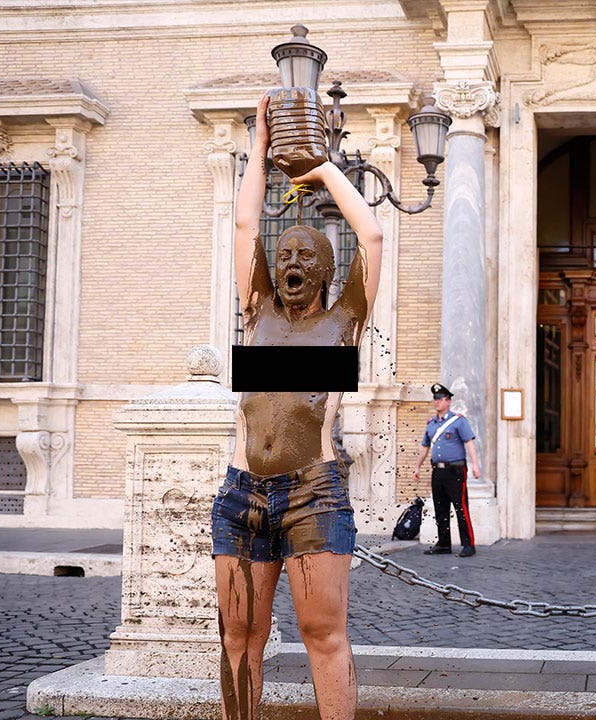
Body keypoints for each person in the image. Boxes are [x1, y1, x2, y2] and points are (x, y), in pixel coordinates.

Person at [212, 93, 383, 720]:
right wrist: (259, 151)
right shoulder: (255, 314)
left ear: (328, 273)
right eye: (285, 255)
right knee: (238, 638)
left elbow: (372, 231)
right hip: (239, 494)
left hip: (313, 492)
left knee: (323, 637)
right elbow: (244, 226)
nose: (291, 262)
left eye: (306, 257)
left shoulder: (344, 323)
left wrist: (323, 167)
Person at [413, 383, 482, 557]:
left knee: (461, 508)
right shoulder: (431, 424)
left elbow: (469, 443)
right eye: (435, 399)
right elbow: (424, 447)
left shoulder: (459, 421)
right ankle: (444, 544)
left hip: (455, 472)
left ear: (448, 401)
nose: (436, 402)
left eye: (439, 399)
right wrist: (417, 466)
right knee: (440, 508)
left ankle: (468, 545)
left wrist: (475, 464)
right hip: (438, 472)